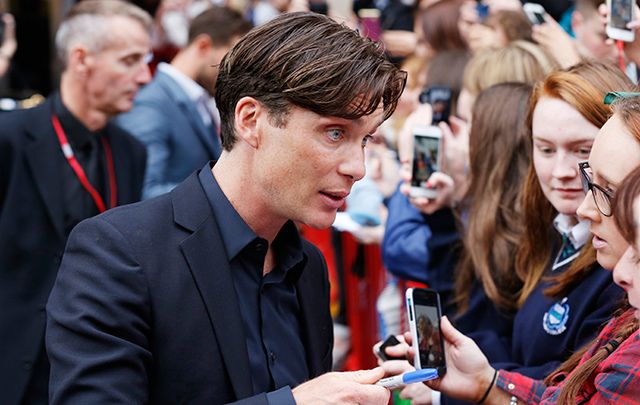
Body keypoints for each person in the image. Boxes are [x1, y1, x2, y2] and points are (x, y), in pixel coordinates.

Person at [46, 11, 406, 404]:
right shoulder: (118, 252)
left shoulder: (308, 268)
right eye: (334, 133)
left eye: (365, 140)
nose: (358, 168)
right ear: (251, 120)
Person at [404, 93, 640, 405]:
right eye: (544, 149)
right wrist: (485, 383)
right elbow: (562, 394)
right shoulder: (555, 238)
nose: (562, 171)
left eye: (606, 190)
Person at [0, 1, 150, 404]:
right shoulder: (10, 136)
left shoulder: (131, 151)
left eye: (147, 60)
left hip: (91, 366)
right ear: (82, 59)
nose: (144, 76)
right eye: (131, 60)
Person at [118, 6, 252, 199]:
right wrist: (229, 191)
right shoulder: (150, 104)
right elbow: (145, 193)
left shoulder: (199, 98)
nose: (237, 72)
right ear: (203, 46)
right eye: (232, 59)